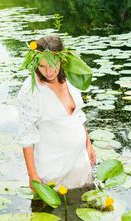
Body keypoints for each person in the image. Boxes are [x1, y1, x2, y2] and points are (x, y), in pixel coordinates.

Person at [17, 35, 96, 191]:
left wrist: (88, 144)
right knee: (56, 213)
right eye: (42, 66)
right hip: (54, 169)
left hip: (80, 162)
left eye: (53, 65)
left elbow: (78, 116)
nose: (49, 72)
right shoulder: (31, 90)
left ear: (62, 59)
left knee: (87, 208)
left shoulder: (71, 79)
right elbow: (27, 135)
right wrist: (32, 175)